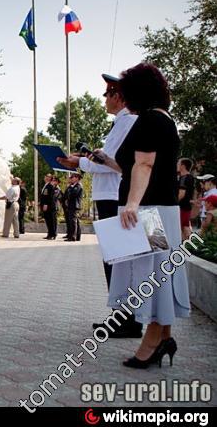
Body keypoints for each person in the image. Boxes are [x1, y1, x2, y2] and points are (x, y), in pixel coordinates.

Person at [94, 62, 189, 369]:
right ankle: (163, 338)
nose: (121, 94)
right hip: (158, 211)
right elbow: (139, 167)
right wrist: (111, 163)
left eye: (125, 88)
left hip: (149, 214)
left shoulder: (148, 120)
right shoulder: (163, 119)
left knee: (152, 277)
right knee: (159, 275)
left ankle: (152, 342)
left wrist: (132, 204)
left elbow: (145, 166)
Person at [57, 73, 141, 336]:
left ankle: (127, 319)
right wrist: (81, 159)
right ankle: (122, 316)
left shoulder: (127, 122)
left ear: (118, 96)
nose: (104, 99)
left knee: (118, 260)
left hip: (114, 196)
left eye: (107, 94)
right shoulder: (120, 123)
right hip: (109, 196)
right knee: (114, 260)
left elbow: (113, 162)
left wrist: (79, 162)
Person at [177, 158, 195, 240]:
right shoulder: (191, 177)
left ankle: (181, 247)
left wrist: (174, 203)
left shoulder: (183, 178)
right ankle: (190, 247)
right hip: (187, 206)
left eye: (178, 163)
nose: (177, 165)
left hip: (181, 206)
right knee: (185, 226)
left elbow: (181, 194)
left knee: (179, 227)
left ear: (183, 166)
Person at [62, 173, 83, 242]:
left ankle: (73, 237)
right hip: (71, 205)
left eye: (72, 177)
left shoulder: (78, 186)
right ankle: (76, 236)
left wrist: (70, 188)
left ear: (77, 178)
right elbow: (66, 195)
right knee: (74, 221)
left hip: (75, 206)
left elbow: (73, 194)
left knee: (73, 221)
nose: (71, 179)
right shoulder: (72, 186)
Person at [40, 174, 55, 239]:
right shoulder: (45, 185)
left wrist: (45, 204)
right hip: (45, 205)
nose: (45, 177)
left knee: (51, 220)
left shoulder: (50, 186)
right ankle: (49, 234)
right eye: (45, 176)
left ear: (50, 178)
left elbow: (50, 197)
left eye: (47, 177)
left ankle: (52, 234)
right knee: (47, 220)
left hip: (49, 206)